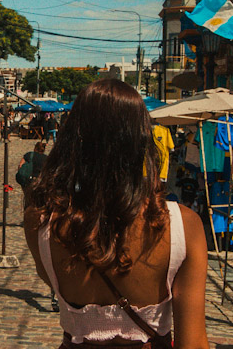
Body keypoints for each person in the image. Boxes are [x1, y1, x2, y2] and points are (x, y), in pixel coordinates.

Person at [23, 79, 208, 348]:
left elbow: (50, 278)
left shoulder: (39, 222)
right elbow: (193, 343)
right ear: (141, 139)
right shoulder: (182, 224)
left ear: (73, 137)